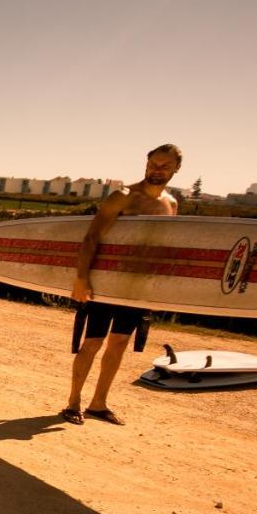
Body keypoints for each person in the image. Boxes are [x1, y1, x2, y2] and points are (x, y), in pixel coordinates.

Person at [61, 143, 182, 426]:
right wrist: (82, 278)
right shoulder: (124, 196)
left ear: (176, 169)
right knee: (92, 343)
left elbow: (163, 247)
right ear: (146, 163)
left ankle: (98, 404)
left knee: (118, 344)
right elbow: (91, 237)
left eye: (165, 165)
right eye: (154, 163)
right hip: (106, 282)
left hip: (136, 288)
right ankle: (73, 402)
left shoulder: (171, 203)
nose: (157, 169)